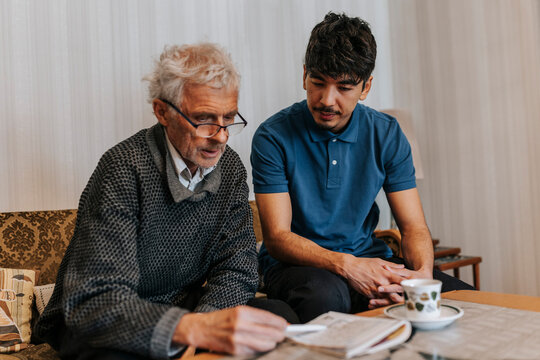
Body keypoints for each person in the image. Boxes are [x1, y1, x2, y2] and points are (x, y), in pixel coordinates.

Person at [35, 43, 297, 360]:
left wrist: (207, 323)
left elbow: (237, 269)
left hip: (177, 304)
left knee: (279, 318)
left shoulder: (229, 170)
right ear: (162, 111)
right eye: (204, 119)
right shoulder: (123, 168)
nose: (221, 136)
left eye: (228, 118)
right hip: (94, 322)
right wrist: (193, 330)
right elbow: (95, 301)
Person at [251, 12, 473, 323]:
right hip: (297, 268)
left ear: (365, 87)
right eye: (318, 82)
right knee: (326, 298)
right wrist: (348, 266)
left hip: (368, 258)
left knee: (462, 299)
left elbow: (413, 228)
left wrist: (419, 278)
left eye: (344, 87)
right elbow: (277, 238)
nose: (327, 100)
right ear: (304, 76)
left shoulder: (387, 133)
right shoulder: (272, 136)